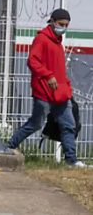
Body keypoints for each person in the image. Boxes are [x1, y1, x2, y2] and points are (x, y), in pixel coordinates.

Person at [7, 9, 86, 167]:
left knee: (69, 125)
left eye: (66, 25)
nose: (63, 27)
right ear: (53, 21)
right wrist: (48, 75)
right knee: (35, 124)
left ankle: (71, 160)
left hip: (61, 94)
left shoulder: (58, 42)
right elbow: (33, 61)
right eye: (61, 24)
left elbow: (60, 70)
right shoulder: (42, 39)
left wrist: (66, 88)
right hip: (43, 93)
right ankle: (9, 147)